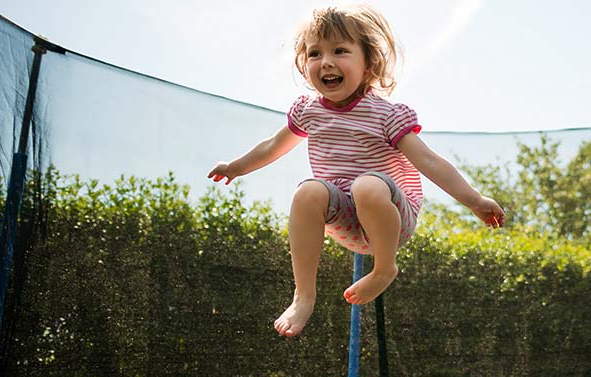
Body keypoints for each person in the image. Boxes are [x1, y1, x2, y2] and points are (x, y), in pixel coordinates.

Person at [207, 3, 505, 338]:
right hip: (346, 221)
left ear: (369, 64)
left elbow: (430, 162)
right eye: (314, 53)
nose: (327, 62)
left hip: (392, 217)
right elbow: (272, 146)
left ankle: (384, 267)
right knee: (308, 190)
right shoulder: (308, 112)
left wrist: (475, 200)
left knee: (367, 185)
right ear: (304, 66)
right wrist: (236, 167)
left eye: (340, 51)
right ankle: (303, 295)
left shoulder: (385, 115)